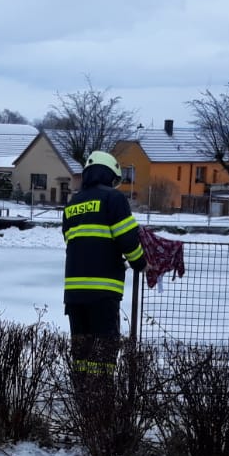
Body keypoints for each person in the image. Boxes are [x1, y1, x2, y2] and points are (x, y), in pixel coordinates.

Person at [62, 150, 145, 383]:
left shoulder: (73, 204)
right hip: (103, 291)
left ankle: (81, 399)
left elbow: (71, 241)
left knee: (81, 350)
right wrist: (140, 262)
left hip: (74, 294)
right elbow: (127, 238)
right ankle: (101, 404)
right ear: (110, 174)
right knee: (104, 350)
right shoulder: (114, 199)